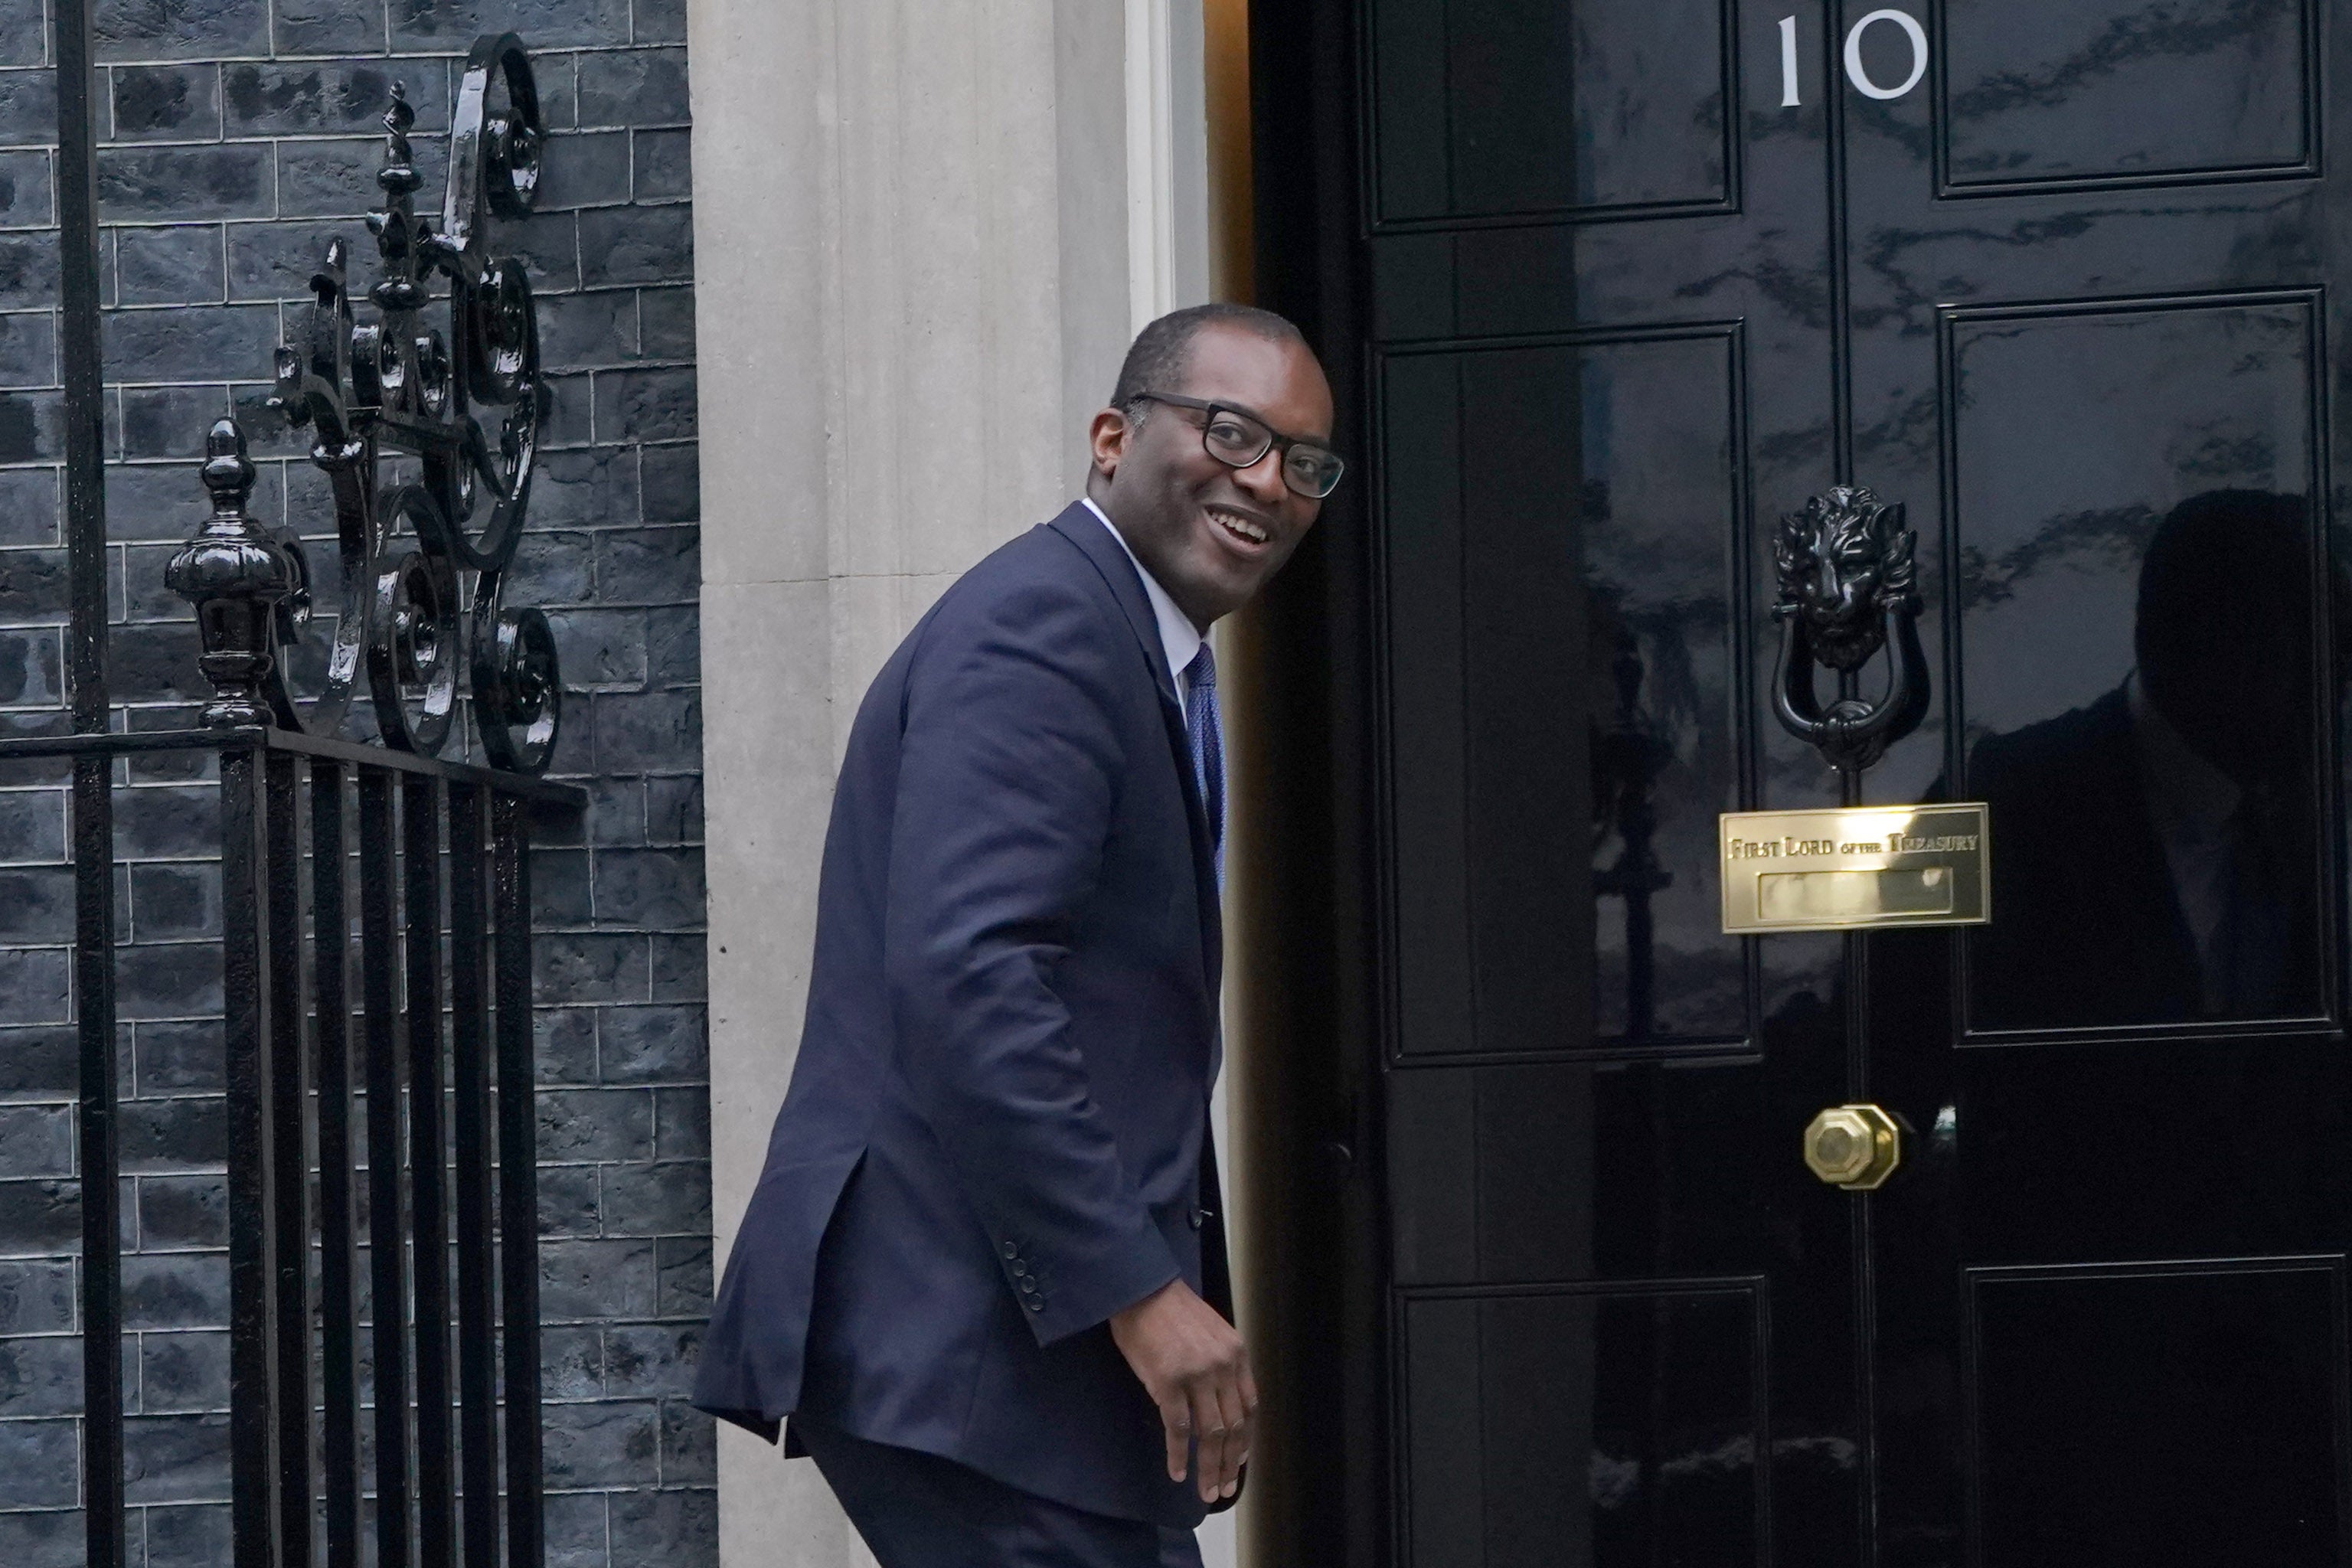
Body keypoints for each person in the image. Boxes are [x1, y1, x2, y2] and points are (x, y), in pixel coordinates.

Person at [694, 303, 1343, 1566]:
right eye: (1232, 432)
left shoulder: (1128, 648)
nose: (1269, 481)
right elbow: (970, 976)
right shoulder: (1042, 633)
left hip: (1009, 1361)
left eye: (1304, 463)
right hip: (967, 1339)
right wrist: (1144, 1295)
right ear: (1113, 436)